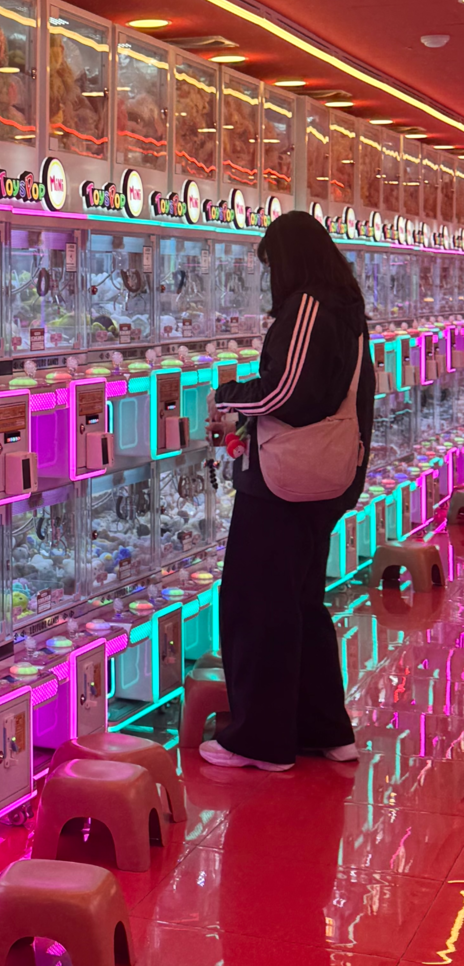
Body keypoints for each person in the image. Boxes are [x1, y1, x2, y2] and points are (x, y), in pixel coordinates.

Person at [201, 210, 375, 772]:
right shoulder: (345, 308)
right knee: (302, 605)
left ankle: (261, 741)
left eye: (272, 263)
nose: (271, 275)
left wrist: (230, 396)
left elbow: (287, 392)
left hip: (283, 487)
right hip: (324, 481)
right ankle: (324, 729)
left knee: (257, 606)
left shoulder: (308, 307)